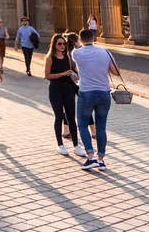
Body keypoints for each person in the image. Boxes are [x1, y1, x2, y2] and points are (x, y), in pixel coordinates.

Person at [73, 29, 121, 170]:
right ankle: (101, 160)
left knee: (82, 125)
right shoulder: (105, 52)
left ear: (80, 40)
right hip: (104, 93)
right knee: (101, 127)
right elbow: (116, 72)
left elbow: (77, 67)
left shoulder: (77, 53)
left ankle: (90, 157)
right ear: (94, 38)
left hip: (86, 93)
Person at [44, 33, 84, 157]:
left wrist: (73, 75)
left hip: (68, 89)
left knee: (71, 117)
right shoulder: (49, 58)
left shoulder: (68, 57)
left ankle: (76, 145)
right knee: (59, 116)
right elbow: (47, 76)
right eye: (59, 44)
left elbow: (71, 71)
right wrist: (62, 74)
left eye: (64, 44)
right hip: (55, 89)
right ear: (54, 45)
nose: (62, 46)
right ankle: (60, 144)